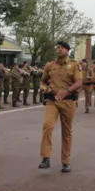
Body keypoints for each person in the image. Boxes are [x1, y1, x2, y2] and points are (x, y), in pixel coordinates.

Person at [38, 41, 82, 172]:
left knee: (67, 132)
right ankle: (45, 158)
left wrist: (67, 91)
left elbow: (79, 82)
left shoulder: (74, 65)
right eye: (57, 48)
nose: (59, 49)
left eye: (62, 48)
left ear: (68, 50)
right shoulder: (50, 65)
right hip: (52, 101)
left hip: (68, 101)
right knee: (47, 126)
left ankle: (66, 161)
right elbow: (42, 81)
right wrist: (45, 88)